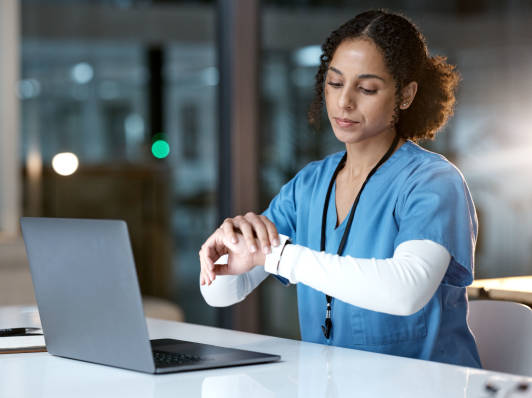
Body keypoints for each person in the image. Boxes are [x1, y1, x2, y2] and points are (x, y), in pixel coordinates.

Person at [198, 9, 481, 368]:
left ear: (405, 95)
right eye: (334, 83)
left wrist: (278, 258)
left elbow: (405, 291)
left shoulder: (432, 181)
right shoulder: (309, 185)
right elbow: (222, 294)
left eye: (366, 88)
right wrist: (230, 255)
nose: (345, 101)